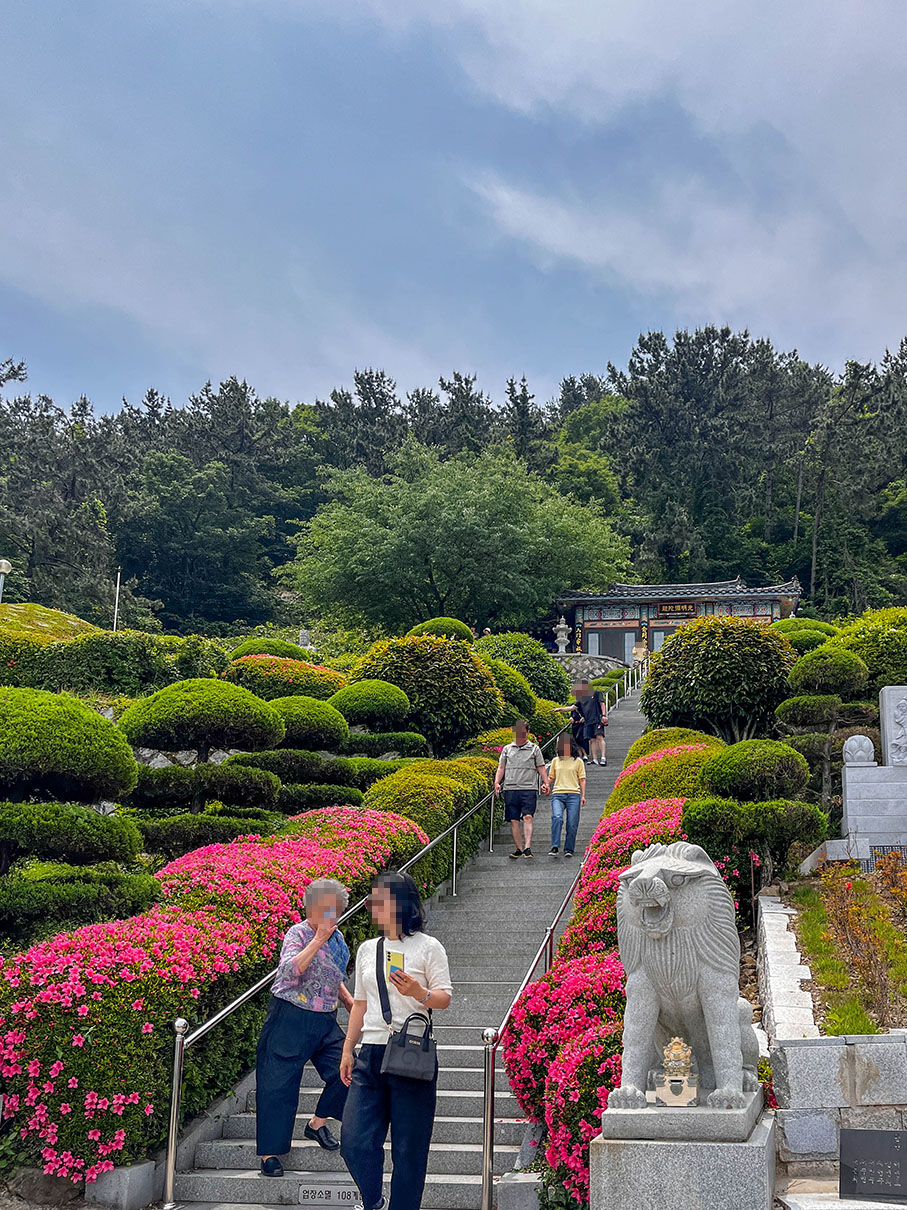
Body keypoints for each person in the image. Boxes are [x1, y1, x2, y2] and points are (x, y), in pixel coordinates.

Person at [340, 871, 453, 1210]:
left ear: (400, 903)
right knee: (354, 1141)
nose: (373, 905)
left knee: (409, 1150)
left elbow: (444, 997)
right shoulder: (367, 949)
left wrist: (419, 993)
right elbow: (360, 1003)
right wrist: (348, 1049)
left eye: (380, 899)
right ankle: (373, 1201)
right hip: (371, 1052)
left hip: (411, 1053)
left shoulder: (428, 947)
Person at [256, 879, 353, 1177]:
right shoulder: (297, 933)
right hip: (290, 1015)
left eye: (335, 909)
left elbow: (332, 975)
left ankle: (317, 1123)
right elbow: (289, 971)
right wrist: (317, 940)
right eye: (324, 908)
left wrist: (350, 1002)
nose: (330, 915)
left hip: (325, 1019)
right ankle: (270, 1154)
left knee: (350, 1073)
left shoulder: (338, 940)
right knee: (278, 1084)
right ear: (310, 908)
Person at [492, 719, 550, 860]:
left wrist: (546, 782)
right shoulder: (507, 749)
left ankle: (527, 847)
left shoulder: (534, 749)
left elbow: (541, 766)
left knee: (528, 816)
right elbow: (501, 767)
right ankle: (518, 848)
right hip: (510, 788)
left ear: (528, 732)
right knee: (514, 820)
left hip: (528, 788)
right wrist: (497, 782)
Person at [547, 733, 586, 858]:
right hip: (558, 793)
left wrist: (583, 796)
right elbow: (551, 777)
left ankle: (569, 848)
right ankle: (555, 845)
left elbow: (582, 779)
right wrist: (546, 784)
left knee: (572, 823)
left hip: (574, 794)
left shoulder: (578, 761)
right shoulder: (555, 761)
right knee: (557, 817)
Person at [554, 681, 608, 765]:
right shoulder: (581, 698)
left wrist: (604, 715)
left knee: (599, 737)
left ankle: (603, 757)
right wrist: (560, 709)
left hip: (597, 719)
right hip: (588, 721)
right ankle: (594, 759)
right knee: (592, 740)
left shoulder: (596, 693)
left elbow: (602, 704)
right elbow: (572, 707)